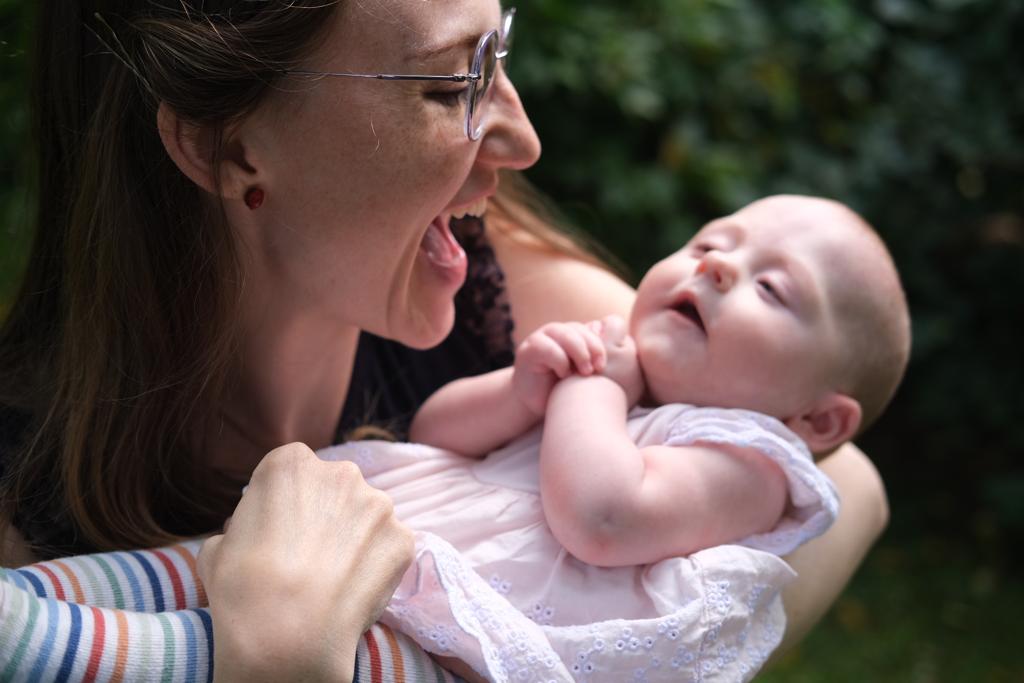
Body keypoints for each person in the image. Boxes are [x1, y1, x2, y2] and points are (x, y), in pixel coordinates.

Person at [0, 1, 890, 680]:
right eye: (449, 84)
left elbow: (840, 474)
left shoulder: (493, 282)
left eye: (499, 47)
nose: (524, 137)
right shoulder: (22, 512)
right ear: (227, 148)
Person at [307, 195, 910, 681]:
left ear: (819, 421)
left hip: (467, 649)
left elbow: (603, 517)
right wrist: (518, 392)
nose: (716, 266)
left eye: (773, 288)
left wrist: (591, 387)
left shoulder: (751, 465)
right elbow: (435, 434)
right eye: (708, 244)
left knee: (321, 654)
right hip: (401, 543)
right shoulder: (622, 371)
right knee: (236, 571)